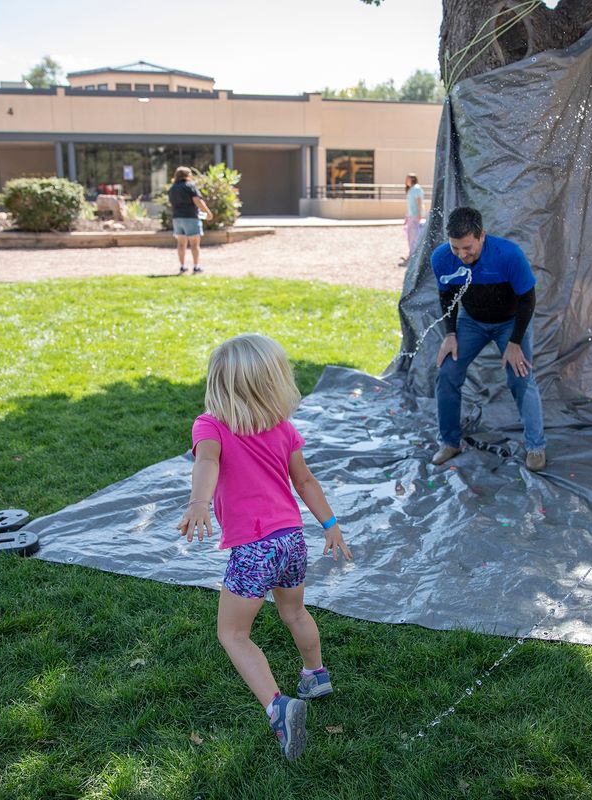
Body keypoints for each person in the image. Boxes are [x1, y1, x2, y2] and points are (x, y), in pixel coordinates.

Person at [176, 334, 352, 762]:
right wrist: (331, 525)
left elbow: (207, 460)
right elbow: (305, 481)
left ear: (219, 382)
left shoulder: (210, 425)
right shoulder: (283, 428)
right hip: (291, 541)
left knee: (233, 634)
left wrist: (198, 503)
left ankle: (278, 708)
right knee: (295, 612)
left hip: (254, 549)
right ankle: (315, 675)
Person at [431, 206, 547, 471]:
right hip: (471, 321)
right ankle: (449, 441)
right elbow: (446, 295)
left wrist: (515, 343)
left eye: (467, 248)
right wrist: (450, 334)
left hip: (510, 322)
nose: (462, 255)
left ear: (481, 236)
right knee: (447, 372)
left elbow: (527, 299)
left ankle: (536, 446)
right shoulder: (441, 258)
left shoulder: (509, 254)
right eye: (455, 248)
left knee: (520, 376)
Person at [167, 166, 213, 274]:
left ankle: (182, 266)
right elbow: (197, 200)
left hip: (177, 218)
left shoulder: (173, 188)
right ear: (187, 175)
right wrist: (208, 212)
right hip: (190, 217)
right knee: (194, 244)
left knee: (181, 244)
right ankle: (196, 267)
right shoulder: (190, 186)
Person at [403, 173, 425, 264]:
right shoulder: (411, 189)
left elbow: (419, 202)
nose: (405, 180)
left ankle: (414, 256)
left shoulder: (416, 188)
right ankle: (411, 254)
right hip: (411, 215)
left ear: (412, 179)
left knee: (414, 236)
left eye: (407, 178)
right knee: (410, 236)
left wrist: (419, 214)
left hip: (415, 215)